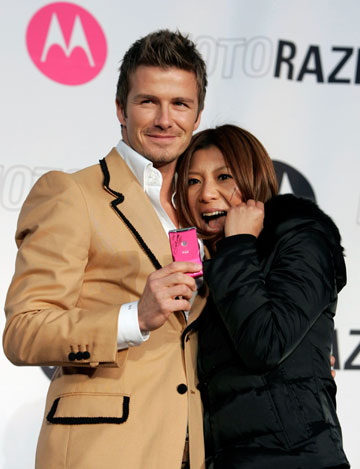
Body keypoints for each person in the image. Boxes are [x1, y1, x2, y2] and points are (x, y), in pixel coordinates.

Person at [3, 30, 208, 469]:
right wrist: (134, 317)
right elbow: (23, 331)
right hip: (102, 450)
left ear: (197, 115)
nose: (164, 119)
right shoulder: (72, 193)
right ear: (121, 107)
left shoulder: (203, 208)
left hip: (194, 449)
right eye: (148, 101)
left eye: (180, 104)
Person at [175, 124, 350, 468]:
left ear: (252, 176)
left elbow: (264, 345)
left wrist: (239, 244)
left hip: (296, 459)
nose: (207, 194)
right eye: (193, 181)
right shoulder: (202, 267)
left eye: (223, 177)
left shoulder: (299, 237)